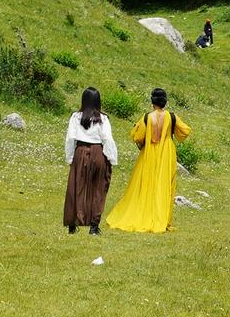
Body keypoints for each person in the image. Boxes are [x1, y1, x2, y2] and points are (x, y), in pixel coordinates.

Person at [103, 88, 191, 234]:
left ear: (152, 101)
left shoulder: (146, 117)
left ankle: (143, 211)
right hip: (166, 153)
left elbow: (137, 136)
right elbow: (185, 131)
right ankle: (161, 217)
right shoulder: (172, 116)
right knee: (163, 184)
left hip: (149, 152)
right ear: (165, 101)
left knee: (145, 182)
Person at [63, 87, 119, 235]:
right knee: (98, 188)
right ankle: (94, 226)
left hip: (80, 152)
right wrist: (111, 158)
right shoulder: (103, 118)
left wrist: (70, 157)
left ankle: (73, 224)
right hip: (98, 152)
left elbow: (70, 139)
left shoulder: (76, 117)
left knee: (76, 187)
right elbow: (107, 138)